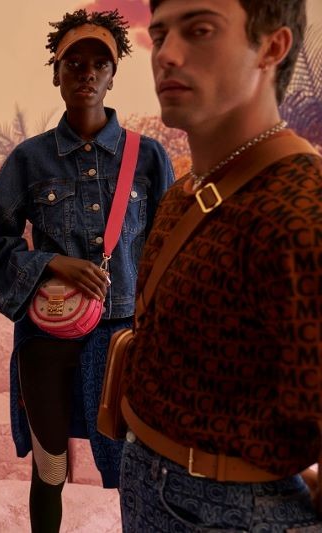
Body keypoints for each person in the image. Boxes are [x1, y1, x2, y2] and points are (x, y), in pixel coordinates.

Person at [119, 0, 322, 531]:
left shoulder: (304, 209)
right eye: (160, 35)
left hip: (233, 510)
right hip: (151, 481)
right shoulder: (186, 190)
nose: (167, 55)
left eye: (201, 30)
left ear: (272, 47)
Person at [0, 9, 174, 532]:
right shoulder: (29, 160)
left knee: (134, 467)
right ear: (56, 73)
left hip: (123, 338)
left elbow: (169, 253)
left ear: (113, 75)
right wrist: (51, 263)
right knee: (50, 468)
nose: (87, 73)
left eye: (99, 64)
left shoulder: (148, 158)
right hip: (48, 335)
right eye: (74, 62)